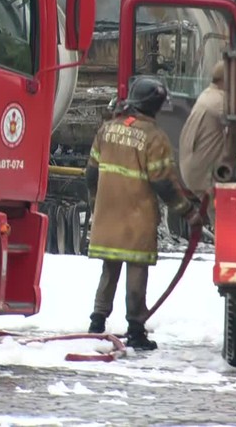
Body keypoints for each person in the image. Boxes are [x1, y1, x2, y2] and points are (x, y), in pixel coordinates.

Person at [85, 75, 202, 351]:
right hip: (136, 217)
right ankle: (136, 329)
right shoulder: (154, 137)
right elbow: (163, 183)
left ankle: (97, 323)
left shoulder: (107, 129)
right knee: (136, 271)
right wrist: (188, 213)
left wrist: (96, 203)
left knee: (109, 269)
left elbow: (91, 173)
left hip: (108, 213)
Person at [178, 60, 228, 232]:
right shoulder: (218, 102)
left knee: (220, 217)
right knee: (223, 219)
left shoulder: (208, 94)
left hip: (193, 169)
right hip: (203, 174)